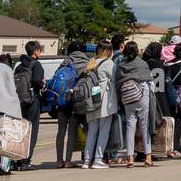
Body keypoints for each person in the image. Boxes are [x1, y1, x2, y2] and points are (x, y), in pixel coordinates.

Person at [82, 41, 120, 169]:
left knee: (92, 131)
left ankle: (87, 160)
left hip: (91, 99)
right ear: (109, 51)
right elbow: (116, 78)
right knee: (104, 130)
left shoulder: (91, 62)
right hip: (104, 100)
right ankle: (98, 159)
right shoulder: (108, 63)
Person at [116, 41, 154, 168]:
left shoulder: (121, 65)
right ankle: (148, 156)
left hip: (127, 95)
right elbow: (149, 79)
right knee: (144, 125)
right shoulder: (142, 63)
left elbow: (118, 82)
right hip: (142, 93)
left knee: (130, 125)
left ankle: (130, 157)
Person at [54, 42, 90, 168]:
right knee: (73, 131)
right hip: (77, 101)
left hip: (62, 101)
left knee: (61, 131)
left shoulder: (65, 62)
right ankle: (69, 160)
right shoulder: (87, 63)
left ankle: (59, 160)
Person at [15, 40, 46, 171]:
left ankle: (16, 158)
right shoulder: (36, 64)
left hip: (20, 100)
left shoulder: (19, 65)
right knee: (31, 130)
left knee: (20, 130)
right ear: (36, 51)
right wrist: (42, 83)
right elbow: (36, 82)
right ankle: (25, 160)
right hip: (33, 100)